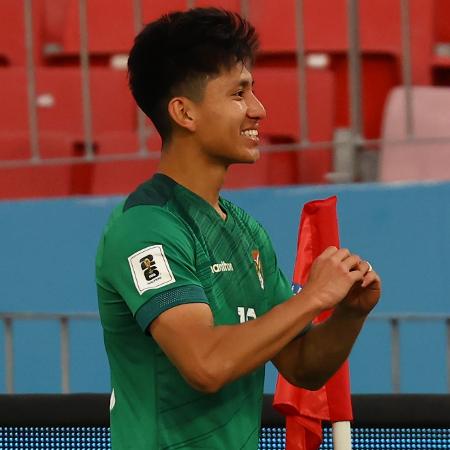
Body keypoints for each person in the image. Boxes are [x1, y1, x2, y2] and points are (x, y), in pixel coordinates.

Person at [95, 7, 381, 450]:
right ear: (184, 113)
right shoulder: (147, 228)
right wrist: (313, 297)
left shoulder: (247, 232)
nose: (259, 110)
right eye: (239, 93)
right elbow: (205, 365)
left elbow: (302, 365)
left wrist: (348, 313)